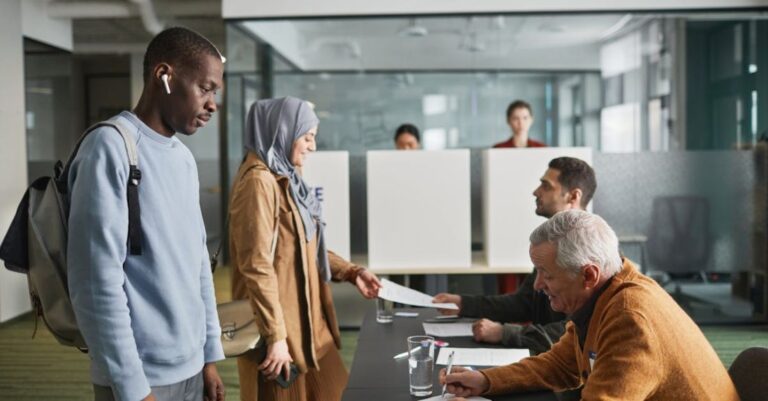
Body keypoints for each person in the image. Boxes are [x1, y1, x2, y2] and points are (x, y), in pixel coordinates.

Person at [67, 27, 226, 401]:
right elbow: (95, 281)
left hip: (191, 367)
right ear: (164, 76)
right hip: (140, 378)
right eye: (205, 88)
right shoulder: (111, 146)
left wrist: (209, 356)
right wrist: (133, 387)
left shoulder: (183, 157)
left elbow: (197, 261)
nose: (212, 104)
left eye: (214, 92)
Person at [441, 210, 740, 401]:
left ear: (588, 274)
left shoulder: (629, 318)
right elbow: (561, 363)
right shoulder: (605, 295)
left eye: (547, 274)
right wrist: (485, 379)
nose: (537, 285)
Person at [229, 97, 382, 401]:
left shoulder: (287, 178)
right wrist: (275, 337)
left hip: (311, 330)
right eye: (307, 137)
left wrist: (352, 272)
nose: (312, 146)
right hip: (281, 337)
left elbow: (305, 246)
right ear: (281, 131)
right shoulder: (259, 182)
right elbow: (257, 266)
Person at [433, 157, 596, 354]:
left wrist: (505, 333)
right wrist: (463, 303)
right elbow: (525, 302)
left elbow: (577, 331)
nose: (536, 191)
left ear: (573, 196)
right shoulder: (554, 242)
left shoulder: (593, 250)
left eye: (546, 186)